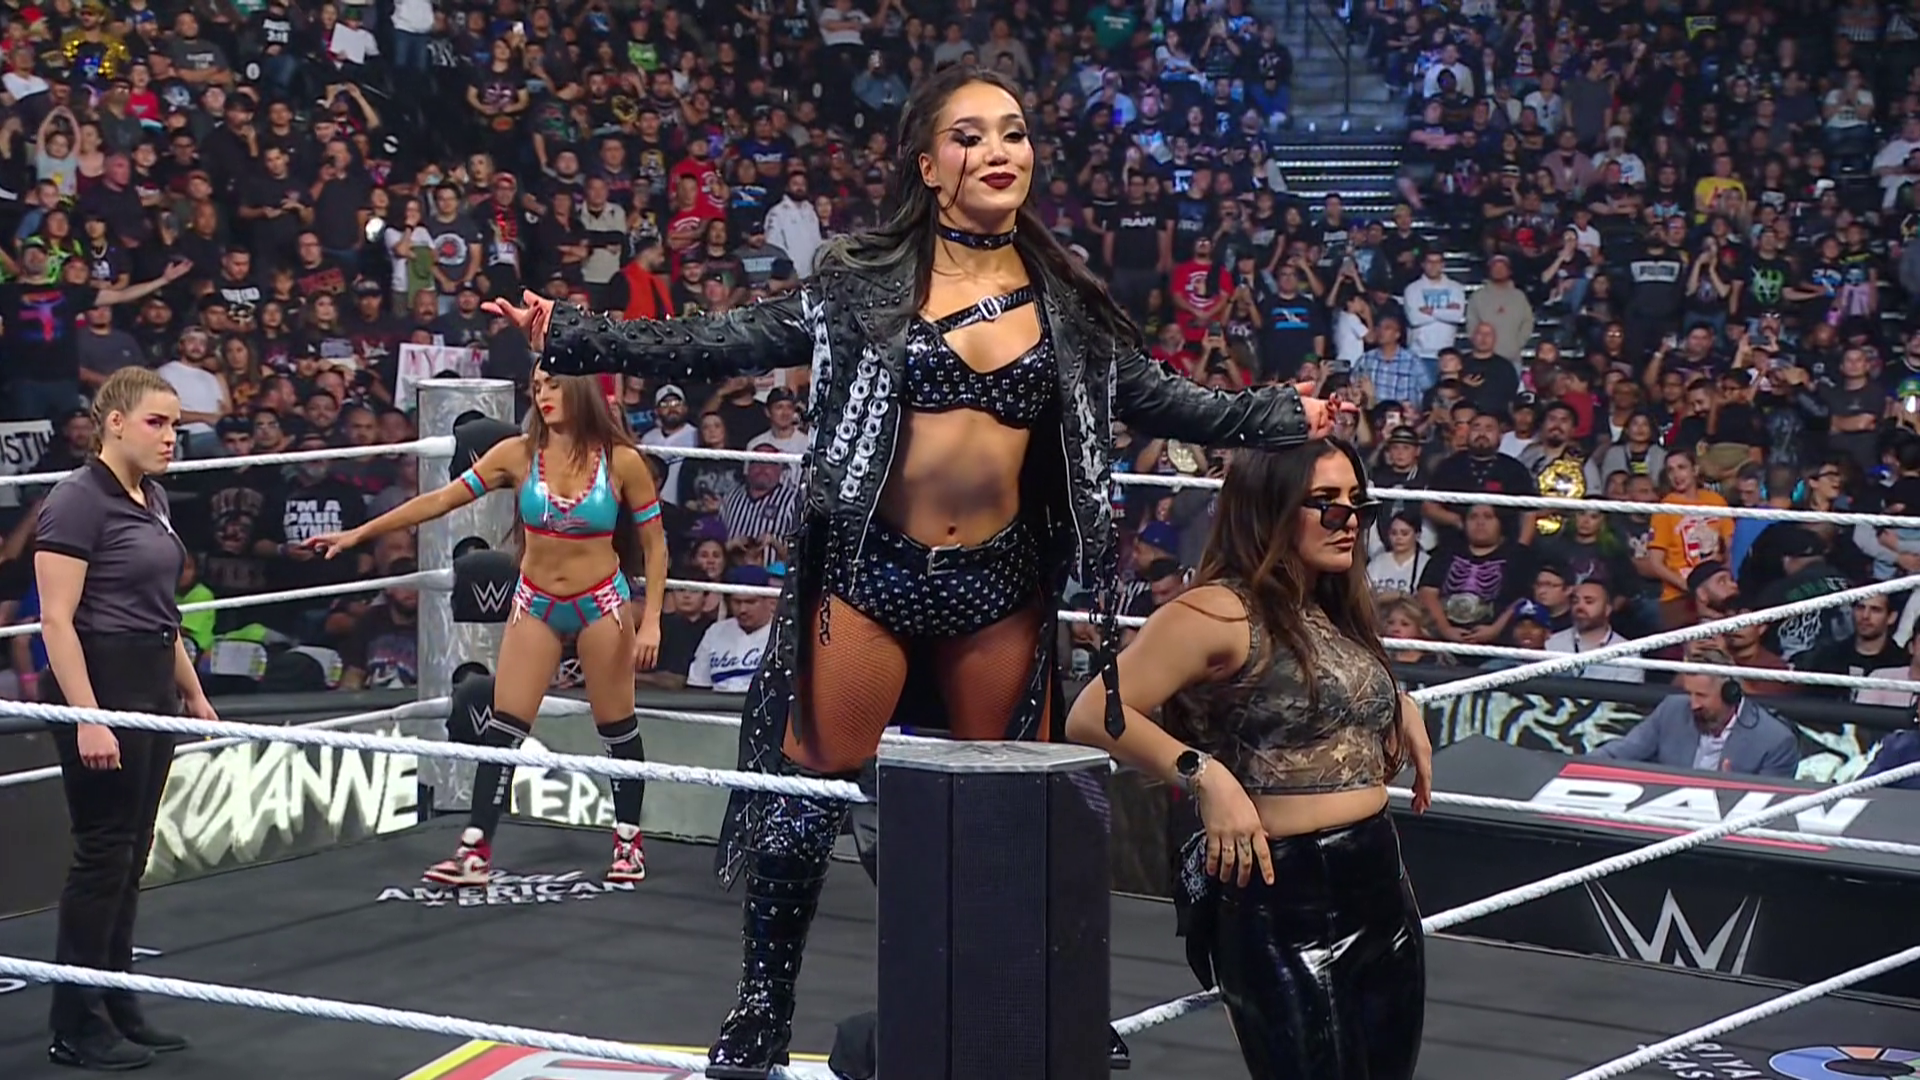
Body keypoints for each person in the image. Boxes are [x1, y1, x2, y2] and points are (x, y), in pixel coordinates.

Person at [485, 65, 1344, 1080]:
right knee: (809, 792)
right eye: (970, 136)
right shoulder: (863, 283)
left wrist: (1280, 415)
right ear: (930, 166)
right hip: (872, 571)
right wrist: (575, 334)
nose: (998, 152)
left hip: (1002, 582)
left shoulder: (1067, 303)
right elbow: (727, 338)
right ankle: (763, 1002)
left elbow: (1163, 398)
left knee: (1011, 805)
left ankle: (1040, 993)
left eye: (1013, 132)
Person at [1065, 439, 1433, 1079]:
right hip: (1284, 900)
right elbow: (1094, 713)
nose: (1348, 520)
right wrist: (1204, 776)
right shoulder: (1217, 610)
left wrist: (1397, 702)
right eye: (1326, 504)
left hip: (1381, 885)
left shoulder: (1331, 601)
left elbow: (1323, 682)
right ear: (1270, 507)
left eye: (1357, 504)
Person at [306, 367, 669, 884]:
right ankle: (475, 850)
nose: (542, 394)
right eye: (536, 386)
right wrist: (358, 534)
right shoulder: (518, 454)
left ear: (580, 388)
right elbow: (439, 500)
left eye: (553, 384)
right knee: (504, 728)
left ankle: (628, 841)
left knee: (616, 727)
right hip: (536, 602)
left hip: (602, 603)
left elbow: (655, 546)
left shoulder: (620, 460)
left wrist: (651, 620)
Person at [35, 367, 219, 1070]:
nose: (171, 437)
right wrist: (88, 716)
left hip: (149, 683)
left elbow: (160, 613)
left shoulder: (152, 496)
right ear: (114, 422)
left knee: (132, 851)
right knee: (103, 852)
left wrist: (192, 692)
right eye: (156, 422)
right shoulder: (77, 500)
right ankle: (75, 1022)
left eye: (175, 425)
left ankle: (117, 1001)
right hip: (101, 680)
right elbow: (56, 621)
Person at [1585, 648, 1801, 777]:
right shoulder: (1672, 709)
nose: (1693, 704)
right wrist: (1577, 768)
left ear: (1730, 693)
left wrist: (1730, 790)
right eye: (1690, 693)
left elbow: (1769, 812)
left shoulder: (1776, 741)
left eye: (1702, 695)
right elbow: (1619, 752)